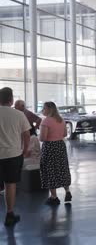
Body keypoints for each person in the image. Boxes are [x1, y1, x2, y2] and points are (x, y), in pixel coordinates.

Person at [0, 87, 30, 226]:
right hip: (13, 155)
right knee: (10, 185)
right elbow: (26, 134)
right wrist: (25, 149)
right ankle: (9, 214)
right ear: (11, 100)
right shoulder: (19, 114)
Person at [39, 102, 72, 206]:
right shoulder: (61, 120)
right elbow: (65, 134)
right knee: (62, 168)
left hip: (50, 147)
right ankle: (67, 191)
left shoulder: (46, 121)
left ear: (49, 109)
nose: (42, 110)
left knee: (50, 170)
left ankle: (54, 197)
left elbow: (43, 138)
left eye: (43, 108)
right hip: (60, 146)